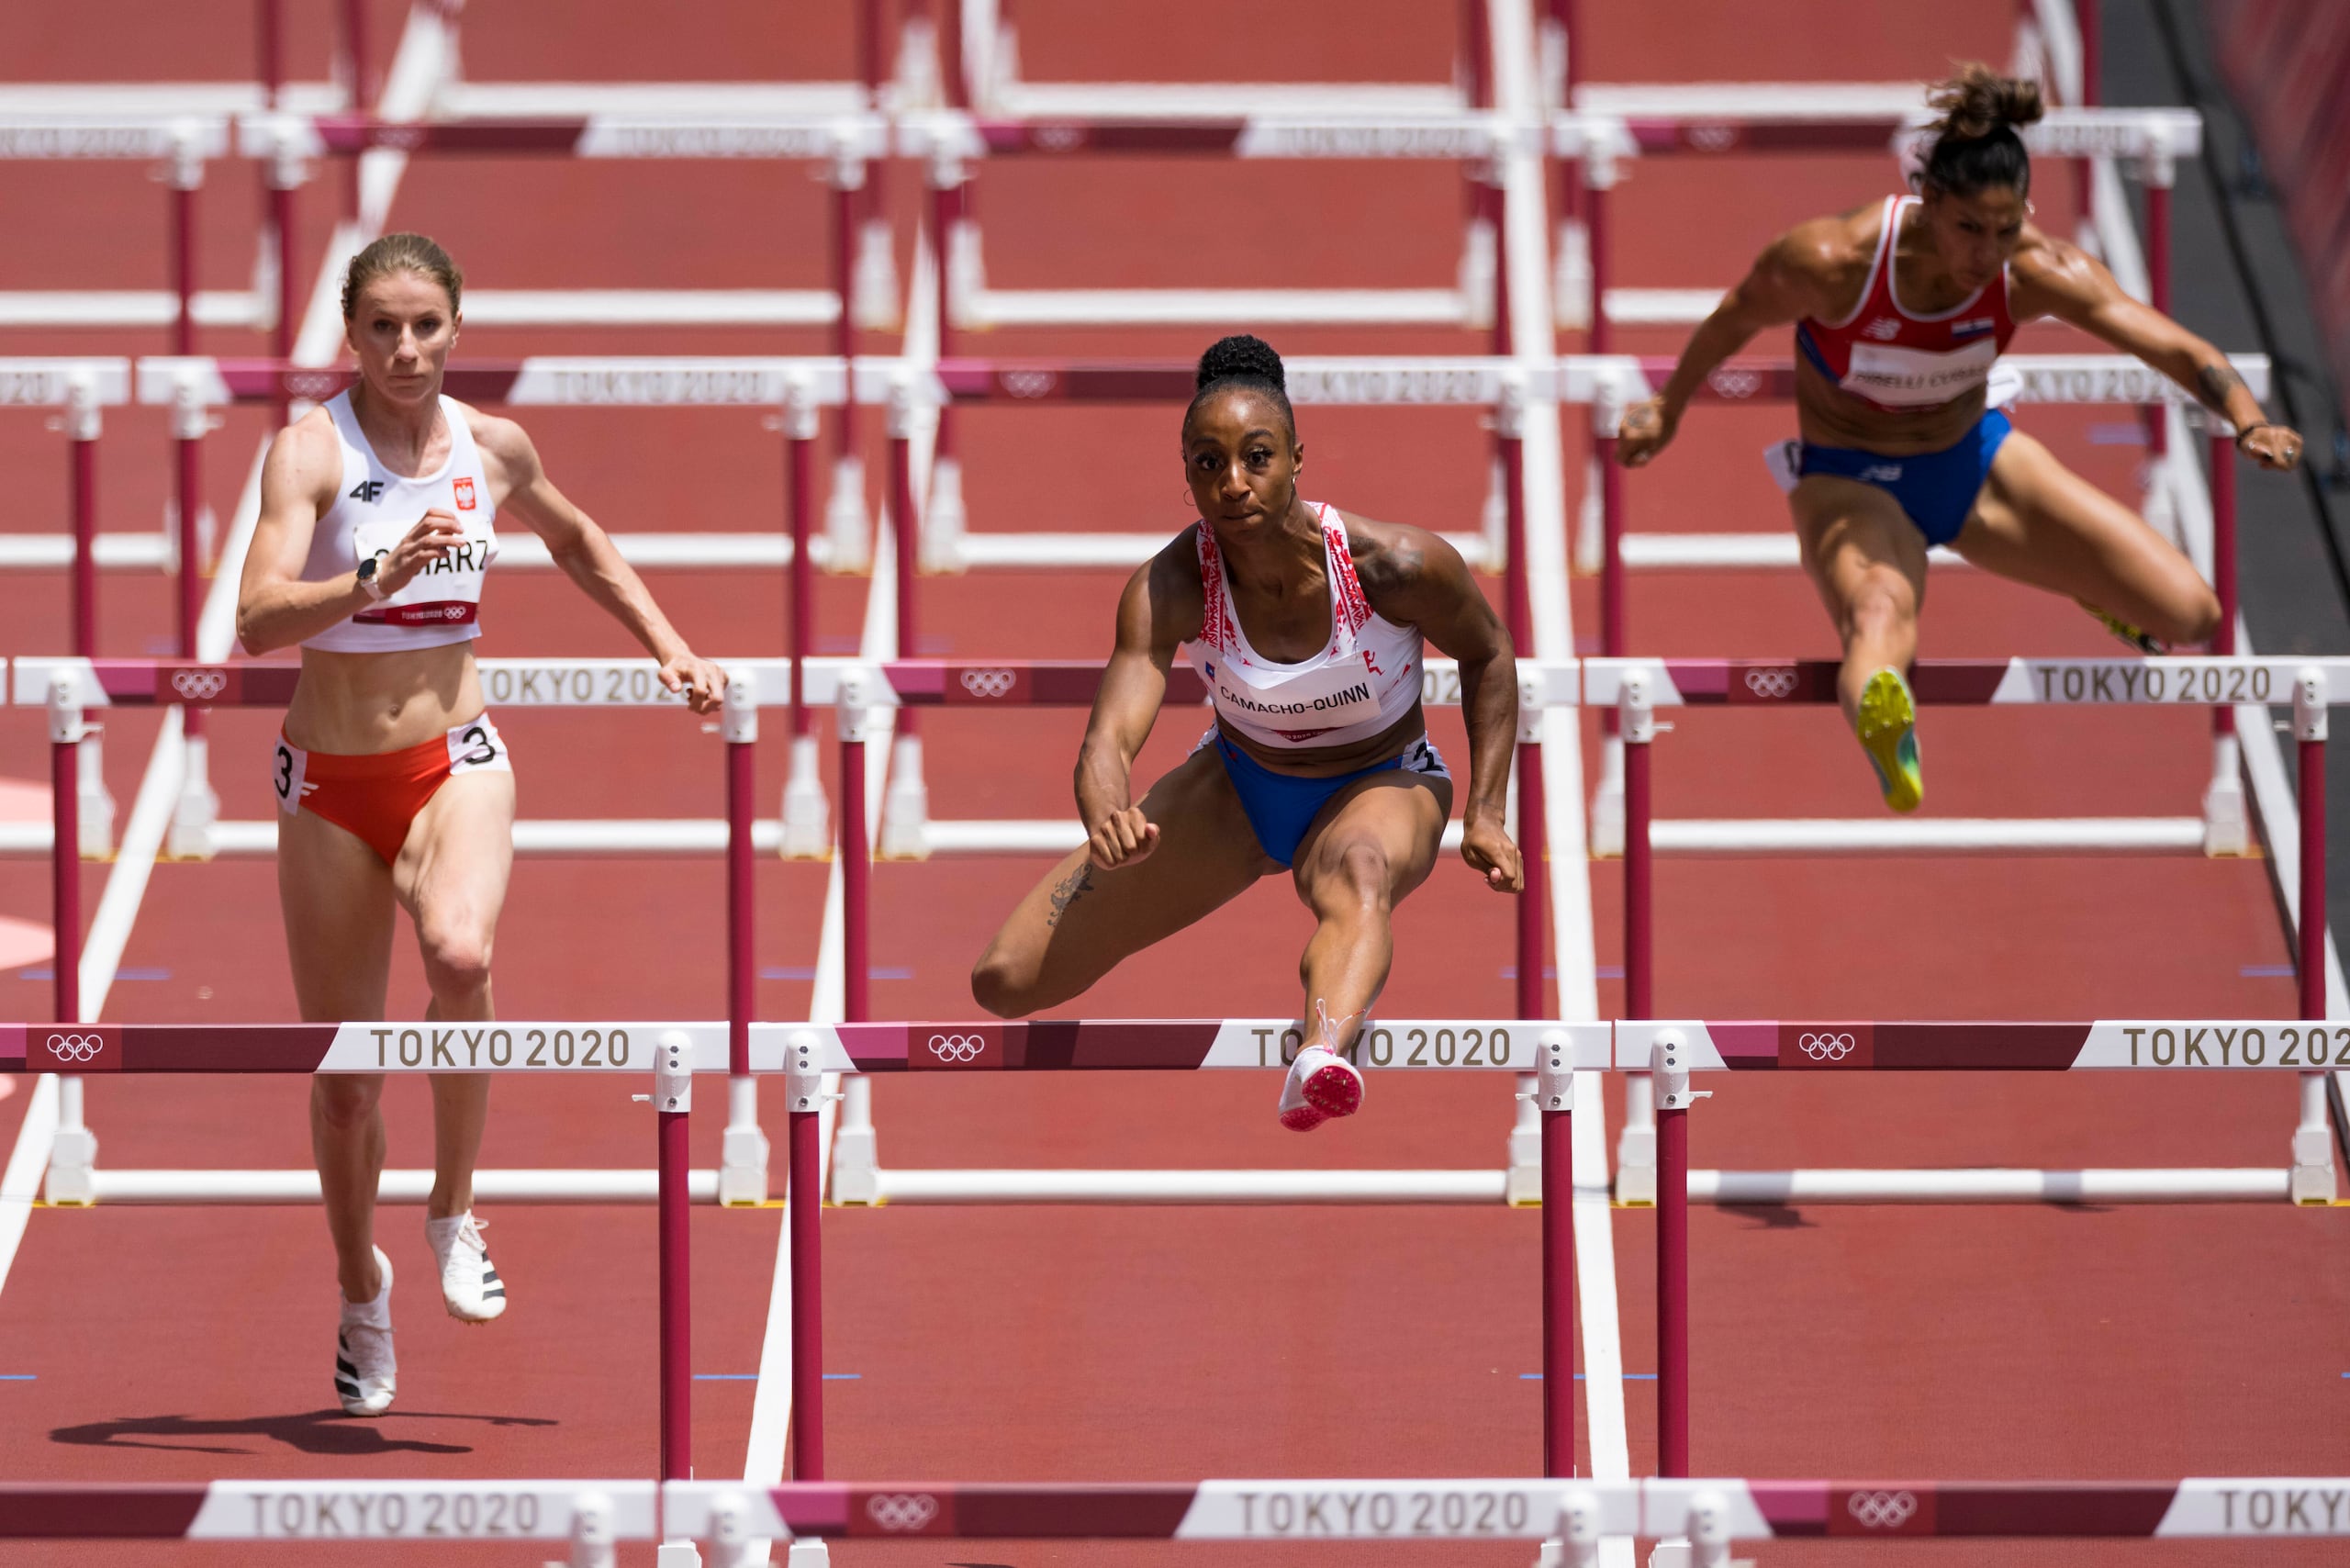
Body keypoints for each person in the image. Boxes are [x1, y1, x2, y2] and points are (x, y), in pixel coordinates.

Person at [235, 232, 727, 1417]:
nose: (406, 349)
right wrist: (370, 580)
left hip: (453, 758)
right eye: (383, 327)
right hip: (327, 784)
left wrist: (670, 644)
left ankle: (455, 1204)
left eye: (427, 326)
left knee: (461, 953)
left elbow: (578, 541)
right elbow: (254, 618)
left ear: (458, 328)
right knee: (347, 1080)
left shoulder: (492, 447)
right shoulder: (307, 454)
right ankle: (361, 1286)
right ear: (349, 335)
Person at [1617, 64, 2305, 812]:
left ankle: (2090, 586)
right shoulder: (1834, 262)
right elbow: (1732, 320)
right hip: (1850, 477)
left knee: (2191, 613)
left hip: (1972, 462)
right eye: (1969, 229)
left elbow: (2172, 347)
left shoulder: (2035, 270)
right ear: (1928, 202)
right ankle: (1889, 729)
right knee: (1878, 617)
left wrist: (2249, 418)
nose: (1985, 254)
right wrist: (1668, 408)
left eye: (2005, 230)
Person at [971, 335, 1525, 1129]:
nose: (1232, 484)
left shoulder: (1392, 565)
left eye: (1255, 457)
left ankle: (1321, 1057)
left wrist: (1487, 810)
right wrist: (1108, 815)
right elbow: (1107, 740)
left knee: (1358, 873)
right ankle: (1318, 1046)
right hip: (1238, 785)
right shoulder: (1170, 585)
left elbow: (1490, 653)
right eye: (1208, 463)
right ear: (1187, 474)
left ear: (1298, 457)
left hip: (1382, 779)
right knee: (1005, 981)